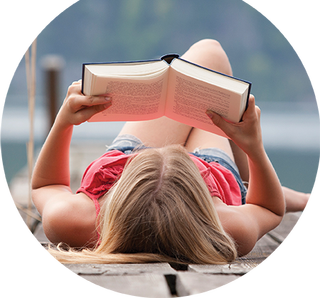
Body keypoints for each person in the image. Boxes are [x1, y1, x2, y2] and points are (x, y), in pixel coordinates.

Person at [31, 39, 320, 265]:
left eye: (136, 158)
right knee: (210, 54)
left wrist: (63, 121)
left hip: (167, 179)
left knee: (207, 58)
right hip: (212, 167)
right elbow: (268, 207)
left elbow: (45, 184)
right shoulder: (225, 226)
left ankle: (302, 198)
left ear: (118, 185)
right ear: (204, 194)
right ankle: (303, 198)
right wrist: (252, 146)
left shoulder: (73, 221)